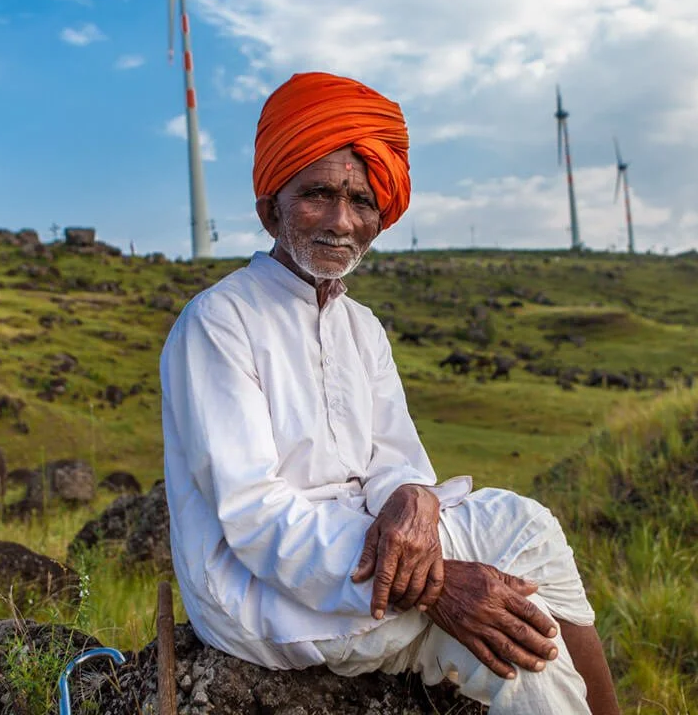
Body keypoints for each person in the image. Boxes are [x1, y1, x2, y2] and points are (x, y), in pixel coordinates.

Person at [160, 71, 620, 714]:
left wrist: (413, 500)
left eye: (362, 201)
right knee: (523, 626)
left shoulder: (360, 326)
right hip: (263, 592)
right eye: (318, 194)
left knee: (529, 533)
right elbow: (254, 517)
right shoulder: (218, 320)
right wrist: (435, 589)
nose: (342, 221)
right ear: (271, 208)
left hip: (370, 551)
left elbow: (395, 461)